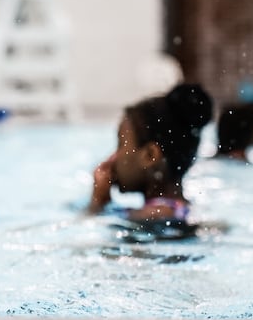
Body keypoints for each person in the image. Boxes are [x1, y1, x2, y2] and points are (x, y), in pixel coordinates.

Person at [87, 83, 213, 225]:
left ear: (150, 156)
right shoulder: (182, 210)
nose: (112, 159)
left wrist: (95, 206)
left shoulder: (152, 215)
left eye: (121, 144)